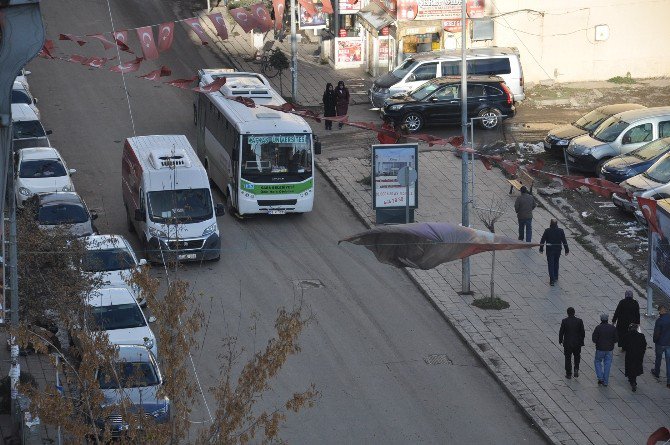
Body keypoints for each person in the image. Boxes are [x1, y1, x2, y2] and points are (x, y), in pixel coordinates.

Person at [539, 219, 569, 286]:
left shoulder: (547, 231)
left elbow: (542, 240)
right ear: (556, 224)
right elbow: (564, 241)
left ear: (550, 223)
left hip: (550, 250)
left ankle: (552, 280)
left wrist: (541, 249)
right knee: (556, 262)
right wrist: (567, 250)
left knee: (550, 264)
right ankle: (555, 276)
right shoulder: (560, 231)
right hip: (558, 250)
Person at [559, 307, 585, 379]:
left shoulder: (564, 321)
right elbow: (582, 332)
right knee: (577, 356)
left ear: (567, 313)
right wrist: (581, 341)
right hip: (577, 343)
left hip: (567, 343)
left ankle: (569, 374)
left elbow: (561, 332)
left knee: (567, 358)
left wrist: (560, 340)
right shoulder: (579, 321)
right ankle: (576, 369)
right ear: (574, 312)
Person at [592, 313, 617, 387]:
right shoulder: (612, 328)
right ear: (607, 319)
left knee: (597, 362)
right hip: (609, 349)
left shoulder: (598, 328)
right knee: (607, 364)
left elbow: (594, 339)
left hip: (600, 349)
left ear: (601, 319)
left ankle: (600, 378)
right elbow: (616, 339)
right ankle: (606, 381)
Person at [623, 323, 646, 392]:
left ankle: (632, 381)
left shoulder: (627, 335)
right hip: (638, 355)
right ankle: (633, 380)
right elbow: (644, 345)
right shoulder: (641, 336)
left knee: (630, 366)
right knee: (636, 367)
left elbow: (624, 346)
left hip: (630, 354)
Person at [651, 304, 670, 388]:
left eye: (660, 311)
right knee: (669, 362)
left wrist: (655, 340)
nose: (659, 312)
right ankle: (669, 381)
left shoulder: (659, 320)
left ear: (662, 311)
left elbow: (656, 333)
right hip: (669, 344)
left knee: (658, 358)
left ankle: (657, 372)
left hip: (660, 343)